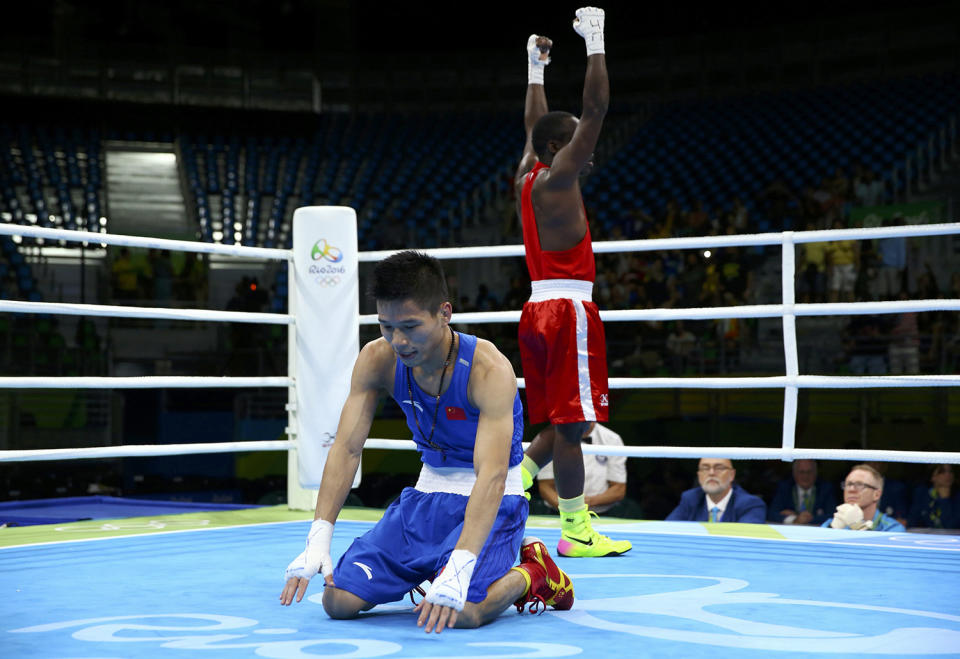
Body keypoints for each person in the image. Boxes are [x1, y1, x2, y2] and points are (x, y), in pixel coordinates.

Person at [279, 251, 573, 633]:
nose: (398, 340)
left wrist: (462, 562)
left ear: (444, 313)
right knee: (338, 601)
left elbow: (493, 476)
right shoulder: (377, 359)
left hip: (492, 496)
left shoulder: (488, 369)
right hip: (426, 494)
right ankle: (435, 567)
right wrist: (318, 537)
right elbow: (347, 448)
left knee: (464, 611)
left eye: (411, 326)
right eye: (386, 326)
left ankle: (535, 573)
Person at [512, 7, 631, 559]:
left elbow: (537, 127)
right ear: (563, 149)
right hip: (567, 310)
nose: (590, 149)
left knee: (569, 422)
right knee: (574, 424)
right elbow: (597, 108)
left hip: (538, 308)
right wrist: (596, 40)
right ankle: (576, 528)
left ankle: (516, 480)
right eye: (579, 143)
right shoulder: (558, 178)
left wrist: (536, 68)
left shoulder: (528, 174)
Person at [535, 422, 627, 515]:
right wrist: (569, 511)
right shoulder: (551, 436)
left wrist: (588, 502)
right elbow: (545, 486)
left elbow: (618, 489)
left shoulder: (612, 439)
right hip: (558, 513)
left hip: (600, 514)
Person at [666, 458, 767, 523]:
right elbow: (667, 531)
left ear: (732, 475)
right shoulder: (690, 499)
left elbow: (746, 541)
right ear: (699, 475)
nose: (711, 473)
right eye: (705, 468)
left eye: (719, 468)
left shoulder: (750, 504)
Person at [822, 464, 906, 532]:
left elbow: (877, 553)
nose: (851, 489)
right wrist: (831, 529)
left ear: (876, 494)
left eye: (860, 485)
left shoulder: (893, 529)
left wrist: (858, 527)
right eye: (848, 484)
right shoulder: (832, 523)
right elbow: (815, 551)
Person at [767, 459, 837, 526]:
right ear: (794, 473)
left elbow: (833, 515)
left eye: (809, 472)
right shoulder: (784, 488)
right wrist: (794, 519)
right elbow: (771, 514)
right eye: (801, 472)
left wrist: (808, 519)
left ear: (815, 473)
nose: (805, 476)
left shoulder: (825, 489)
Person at [907, 464, 959, 530]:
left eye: (950, 471)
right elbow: (911, 523)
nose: (948, 474)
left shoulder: (957, 497)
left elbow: (950, 527)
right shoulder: (922, 494)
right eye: (942, 472)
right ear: (932, 477)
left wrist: (945, 500)